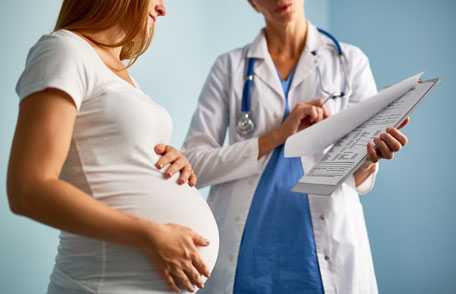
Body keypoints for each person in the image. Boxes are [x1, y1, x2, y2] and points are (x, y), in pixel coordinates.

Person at [182, 0, 410, 293]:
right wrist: (279, 134)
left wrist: (369, 158)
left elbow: (358, 177)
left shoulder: (349, 61)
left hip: (322, 248)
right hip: (246, 251)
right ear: (252, 2)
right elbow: (193, 166)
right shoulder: (229, 67)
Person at [7, 0, 219, 293]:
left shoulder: (122, 76)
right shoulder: (64, 50)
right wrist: (150, 235)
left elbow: (112, 159)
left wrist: (172, 163)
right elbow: (28, 190)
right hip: (101, 284)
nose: (162, 8)